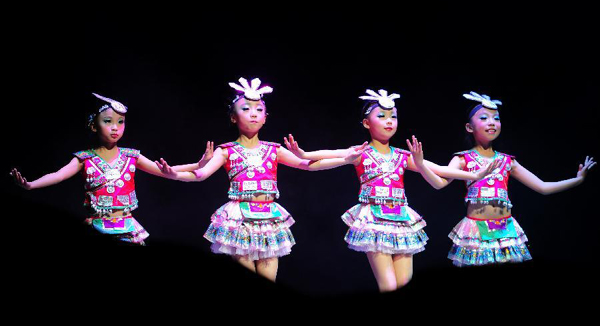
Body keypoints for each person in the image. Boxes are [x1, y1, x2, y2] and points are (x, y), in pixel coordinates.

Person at [284, 88, 500, 292]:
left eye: (393, 116)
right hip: (374, 220)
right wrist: (304, 155)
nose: (389, 121)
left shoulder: (402, 155)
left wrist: (475, 175)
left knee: (404, 282)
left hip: (401, 219)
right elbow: (327, 156)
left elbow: (442, 169)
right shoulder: (360, 152)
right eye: (382, 116)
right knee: (388, 285)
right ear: (367, 123)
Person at [156, 77, 367, 281]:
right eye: (246, 109)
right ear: (233, 117)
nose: (253, 114)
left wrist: (345, 158)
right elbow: (200, 174)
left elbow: (308, 163)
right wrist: (174, 174)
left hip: (268, 218)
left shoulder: (273, 150)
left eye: (259, 110)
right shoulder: (226, 150)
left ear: (265, 117)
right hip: (239, 219)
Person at [413, 91, 596, 266]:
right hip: (477, 232)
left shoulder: (507, 161)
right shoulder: (463, 159)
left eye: (496, 118)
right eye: (484, 118)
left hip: (506, 232)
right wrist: (420, 165)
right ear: (469, 127)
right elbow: (439, 183)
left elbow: (543, 187)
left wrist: (577, 180)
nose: (492, 122)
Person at [10, 93, 213, 245]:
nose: (115, 127)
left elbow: (165, 170)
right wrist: (30, 185)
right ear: (93, 126)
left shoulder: (131, 156)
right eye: (108, 121)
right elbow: (58, 175)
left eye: (120, 122)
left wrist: (199, 164)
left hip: (127, 226)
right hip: (97, 226)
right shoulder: (84, 158)